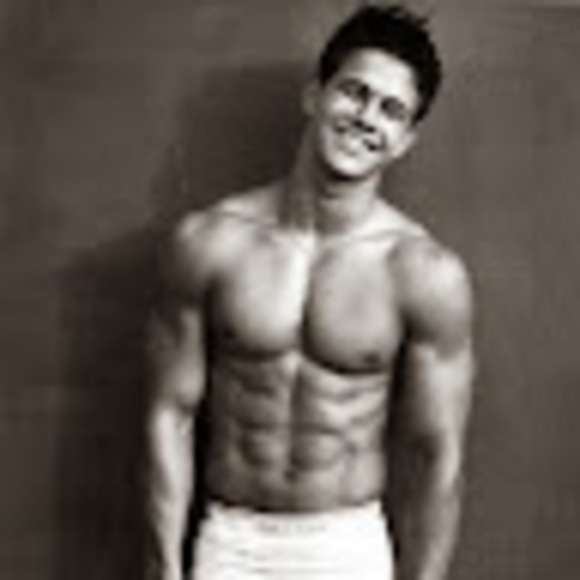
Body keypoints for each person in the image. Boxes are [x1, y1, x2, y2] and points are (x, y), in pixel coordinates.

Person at [146, 5, 475, 580]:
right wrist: (164, 569)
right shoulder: (211, 244)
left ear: (405, 140)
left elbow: (436, 456)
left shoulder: (423, 273)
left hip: (345, 546)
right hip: (232, 542)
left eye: (391, 110)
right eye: (354, 92)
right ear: (315, 96)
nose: (366, 118)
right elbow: (169, 414)